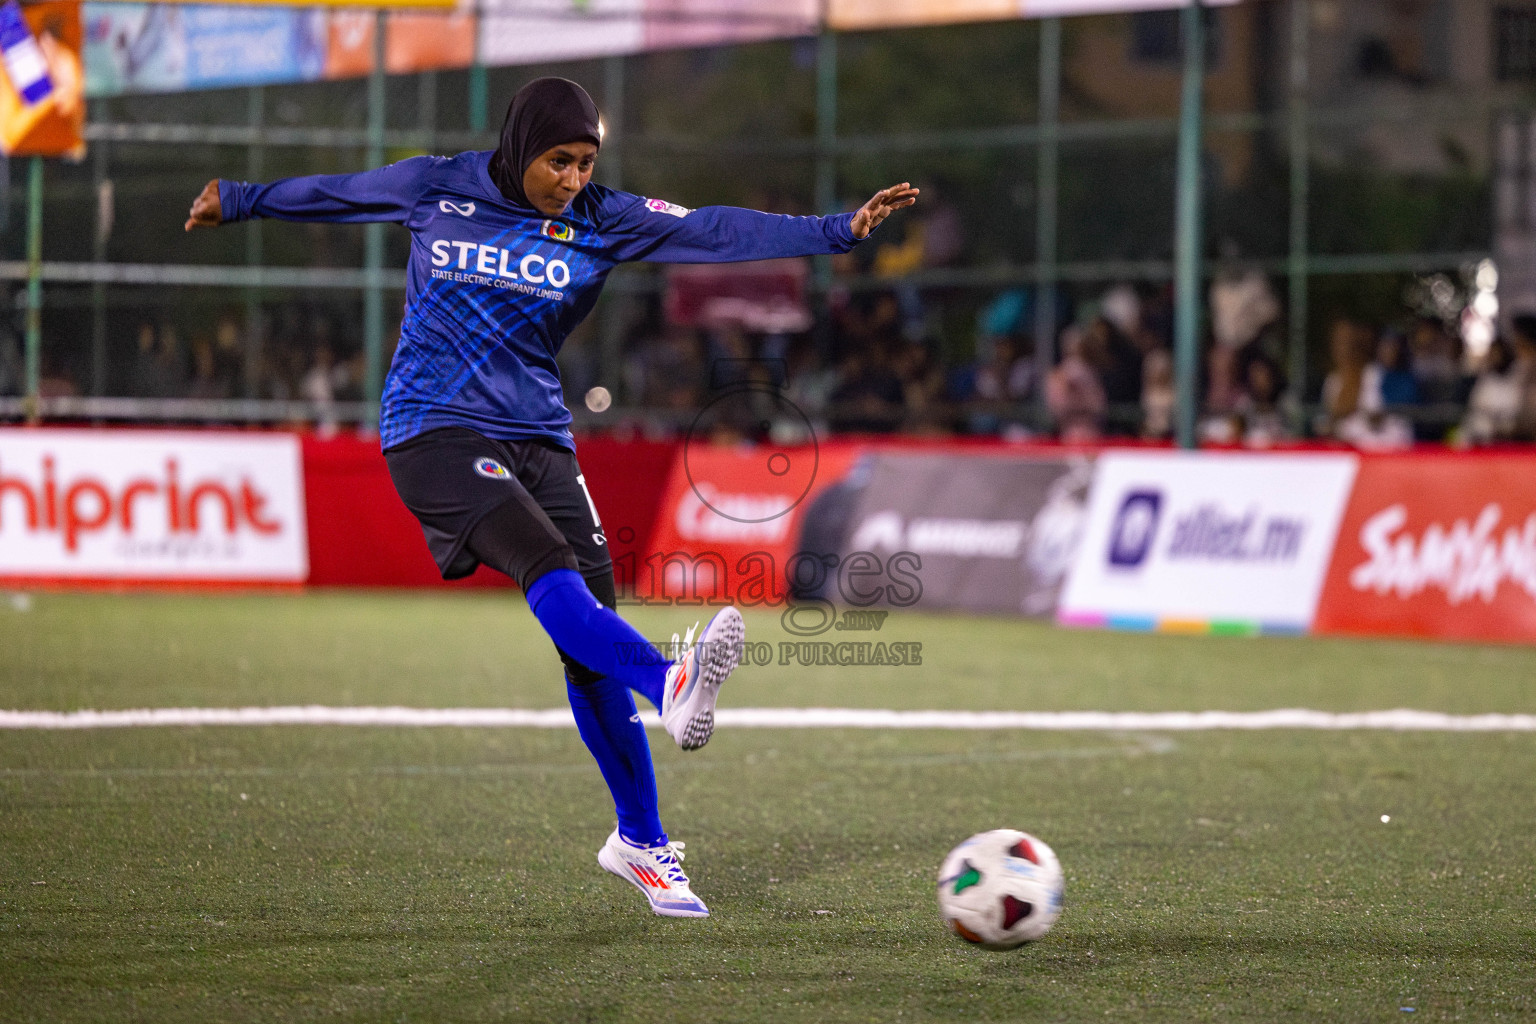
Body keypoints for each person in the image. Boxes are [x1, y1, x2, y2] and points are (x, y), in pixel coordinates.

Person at [185, 77, 917, 919]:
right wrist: (237, 200)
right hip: (435, 431)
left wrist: (837, 229)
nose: (571, 179)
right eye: (557, 161)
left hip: (539, 439)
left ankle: (640, 844)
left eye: (585, 161)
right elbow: (338, 194)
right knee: (549, 568)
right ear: (518, 146)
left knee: (587, 639)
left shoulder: (604, 218)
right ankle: (671, 682)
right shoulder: (439, 185)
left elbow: (713, 228)